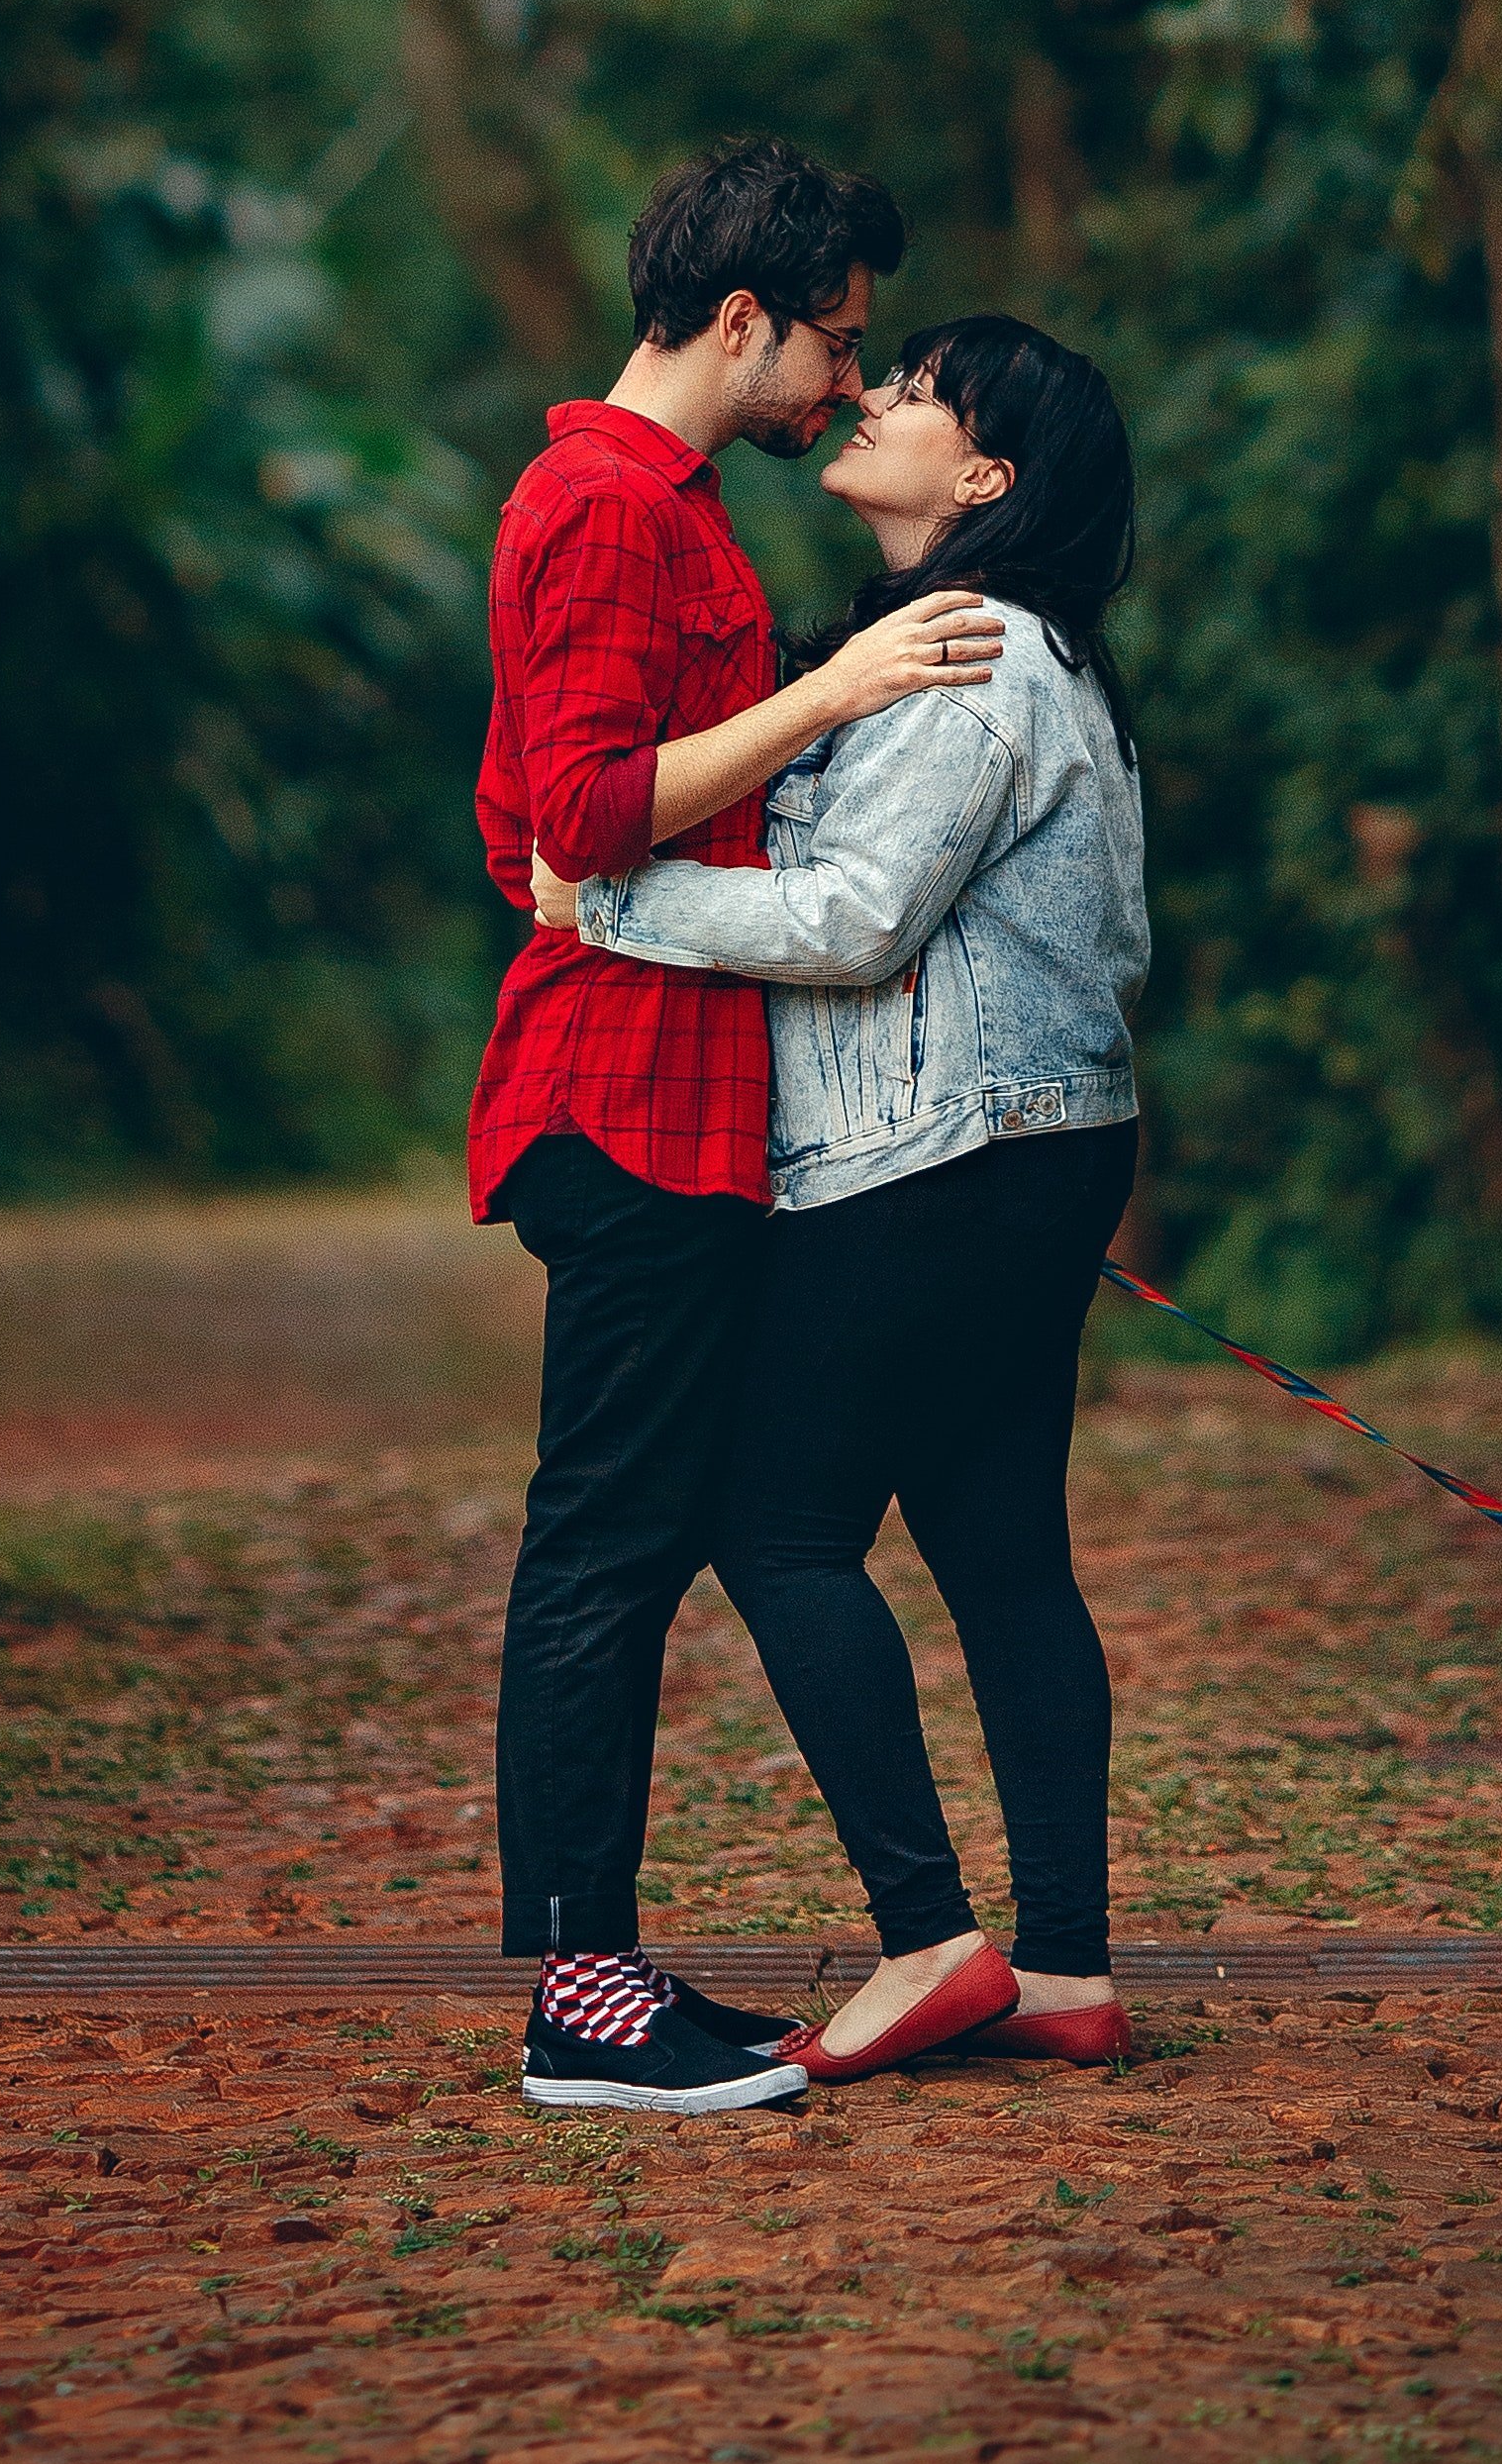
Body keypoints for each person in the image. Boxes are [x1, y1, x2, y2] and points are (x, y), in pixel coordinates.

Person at [535, 312, 1147, 2083]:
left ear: (983, 479)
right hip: (1020, 1150)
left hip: (931, 1163)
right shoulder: (1010, 654)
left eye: (913, 387)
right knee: (995, 1543)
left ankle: (931, 1941)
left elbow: (850, 919)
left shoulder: (969, 652)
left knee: (772, 1525)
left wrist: (603, 906)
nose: (867, 397)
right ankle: (1066, 1972)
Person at [471, 137, 1013, 2118]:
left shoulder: (642, 501)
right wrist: (841, 683)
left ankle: (604, 1968)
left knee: (642, 1527)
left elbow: (516, 814)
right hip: (623, 1098)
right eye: (834, 345)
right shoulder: (611, 509)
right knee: (605, 1541)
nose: (843, 386)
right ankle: (577, 1995)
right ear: (738, 318)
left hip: (671, 1100)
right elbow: (586, 817)